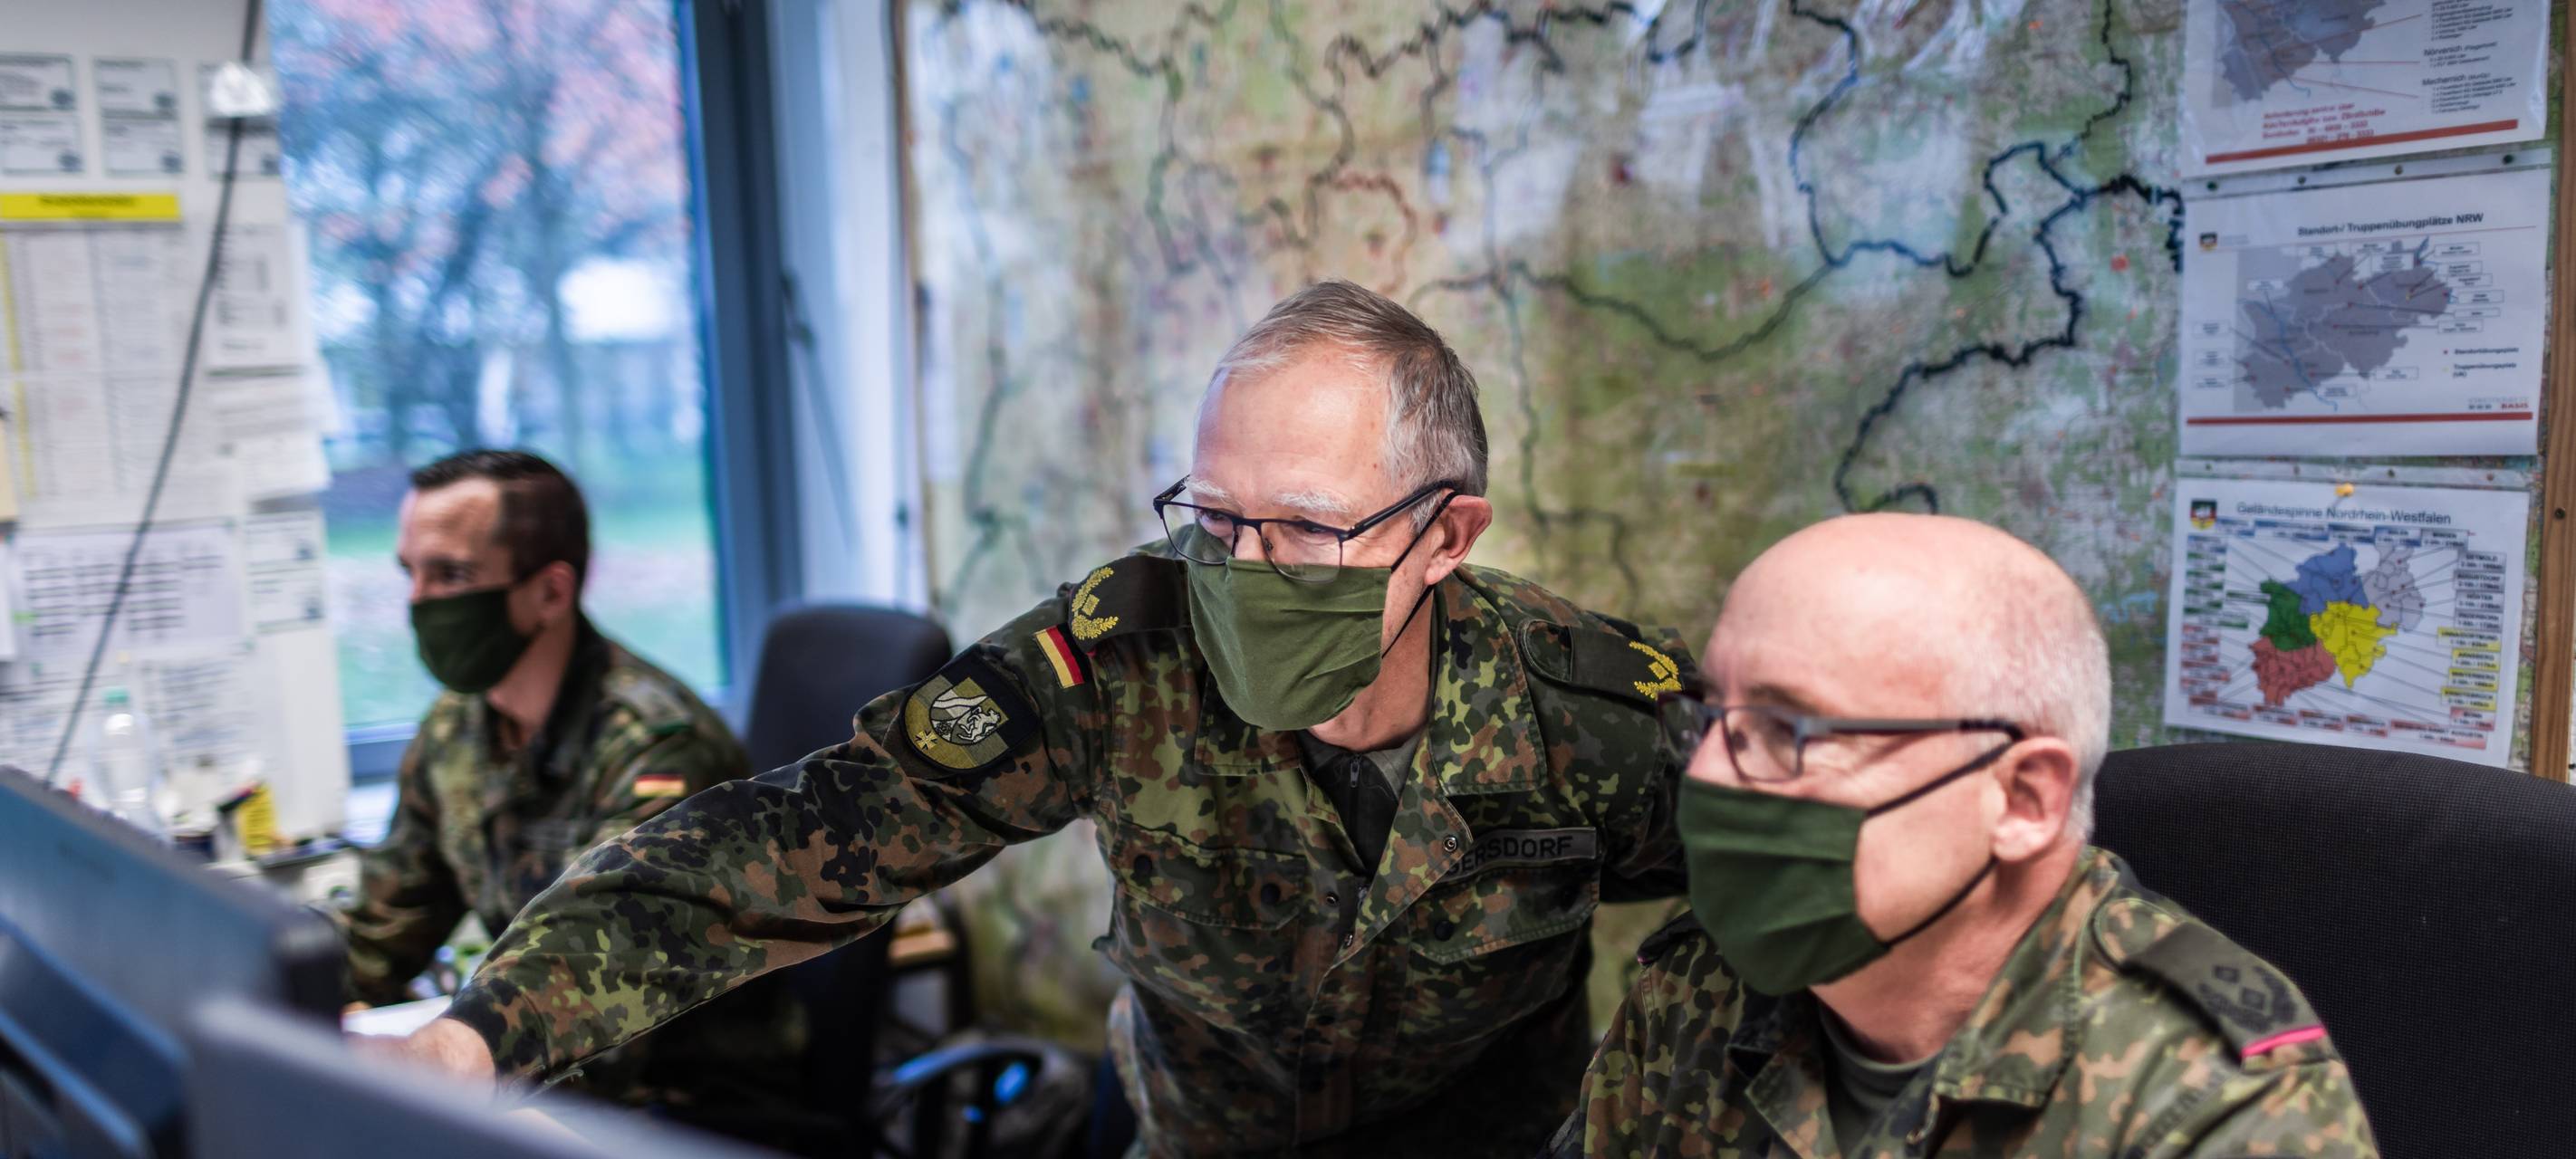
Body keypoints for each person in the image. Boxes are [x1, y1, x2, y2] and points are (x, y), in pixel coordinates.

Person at [393, 282, 1693, 1155]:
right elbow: (799, 838)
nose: (1237, 574)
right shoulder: (1122, 660)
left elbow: (1802, 912)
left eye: (1300, 530)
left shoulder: (1584, 713)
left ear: (1444, 535)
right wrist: (487, 1027)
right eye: (1216, 520)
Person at [1548, 512, 2379, 1158]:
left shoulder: (2212, 1104)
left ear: (2021, 798)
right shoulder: (1697, 990)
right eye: (1716, 718)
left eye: (1787, 728)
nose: (1713, 777)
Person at [338, 449, 812, 1148]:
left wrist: (435, 1061)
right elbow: (386, 926)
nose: (418, 605)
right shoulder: (457, 729)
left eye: (451, 576)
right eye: (410, 574)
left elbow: (601, 1008)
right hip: (547, 1074)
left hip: (686, 1108)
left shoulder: (658, 751)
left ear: (551, 593)